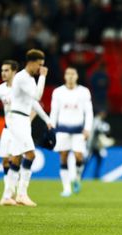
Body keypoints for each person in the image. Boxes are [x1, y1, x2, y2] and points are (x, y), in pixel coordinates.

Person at [0, 59, 52, 206]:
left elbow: (35, 104)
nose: (3, 73)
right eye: (2, 70)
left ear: (14, 71)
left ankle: (19, 194)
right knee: (6, 161)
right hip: (7, 130)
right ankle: (7, 195)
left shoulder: (21, 86)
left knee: (19, 157)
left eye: (7, 70)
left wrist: (34, 120)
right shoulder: (1, 89)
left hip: (19, 127)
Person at [50, 67, 93, 197]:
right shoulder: (58, 92)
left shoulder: (84, 92)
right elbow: (54, 111)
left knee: (79, 156)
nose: (70, 76)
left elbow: (89, 111)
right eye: (68, 73)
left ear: (77, 76)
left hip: (78, 130)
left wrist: (88, 128)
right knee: (63, 157)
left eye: (72, 74)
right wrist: (52, 127)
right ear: (64, 76)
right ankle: (66, 188)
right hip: (62, 129)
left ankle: (76, 177)